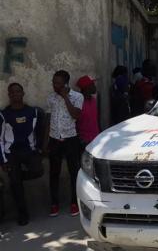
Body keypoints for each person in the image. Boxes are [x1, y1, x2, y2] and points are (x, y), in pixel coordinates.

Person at [0, 83, 45, 225]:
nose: (15, 94)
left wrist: (39, 149)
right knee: (16, 185)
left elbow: (40, 131)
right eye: (12, 92)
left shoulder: (33, 112)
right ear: (9, 95)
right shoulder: (3, 115)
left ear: (23, 93)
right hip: (11, 153)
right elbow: (0, 139)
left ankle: (18, 176)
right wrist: (3, 160)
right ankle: (22, 214)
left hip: (29, 151)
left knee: (38, 171)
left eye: (18, 91)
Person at [44, 70, 83, 217]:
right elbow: (48, 120)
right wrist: (45, 142)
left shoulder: (77, 97)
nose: (55, 85)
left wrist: (66, 97)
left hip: (70, 139)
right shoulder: (51, 98)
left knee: (74, 172)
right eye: (53, 82)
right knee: (54, 173)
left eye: (58, 83)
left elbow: (76, 115)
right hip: (54, 139)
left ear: (66, 84)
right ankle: (54, 204)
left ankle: (74, 202)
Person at [76, 75, 100, 148]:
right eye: (92, 85)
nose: (94, 87)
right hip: (84, 140)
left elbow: (96, 119)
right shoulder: (79, 102)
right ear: (86, 88)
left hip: (96, 138)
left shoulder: (93, 100)